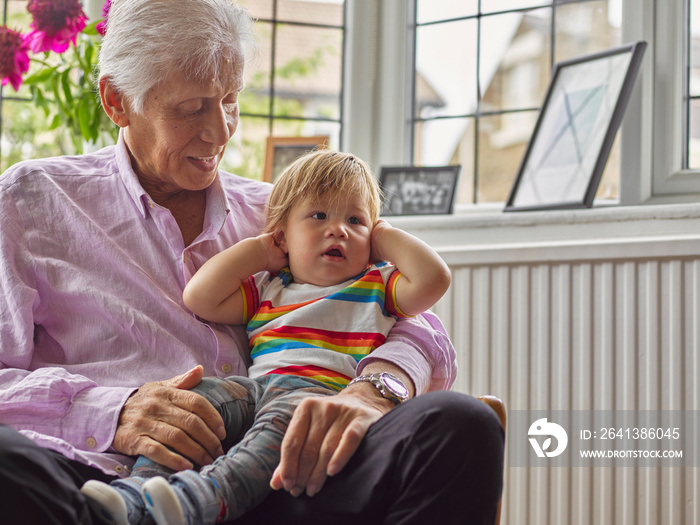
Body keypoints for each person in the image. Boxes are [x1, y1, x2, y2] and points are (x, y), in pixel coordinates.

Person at [0, 1, 504, 524]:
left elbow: (416, 325)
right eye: (193, 108)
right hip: (104, 478)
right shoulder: (31, 201)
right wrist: (111, 411)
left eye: (230, 99)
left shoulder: (288, 215)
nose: (221, 131)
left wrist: (373, 391)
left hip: (286, 471)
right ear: (117, 101)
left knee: (458, 425)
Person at [80, 148, 453, 524]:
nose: (337, 229)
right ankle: (134, 496)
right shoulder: (270, 287)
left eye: (355, 220)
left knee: (270, 438)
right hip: (255, 389)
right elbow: (199, 297)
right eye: (319, 215)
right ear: (283, 237)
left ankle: (202, 499)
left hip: (316, 400)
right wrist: (259, 251)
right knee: (192, 402)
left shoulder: (377, 287)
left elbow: (435, 279)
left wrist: (384, 235)